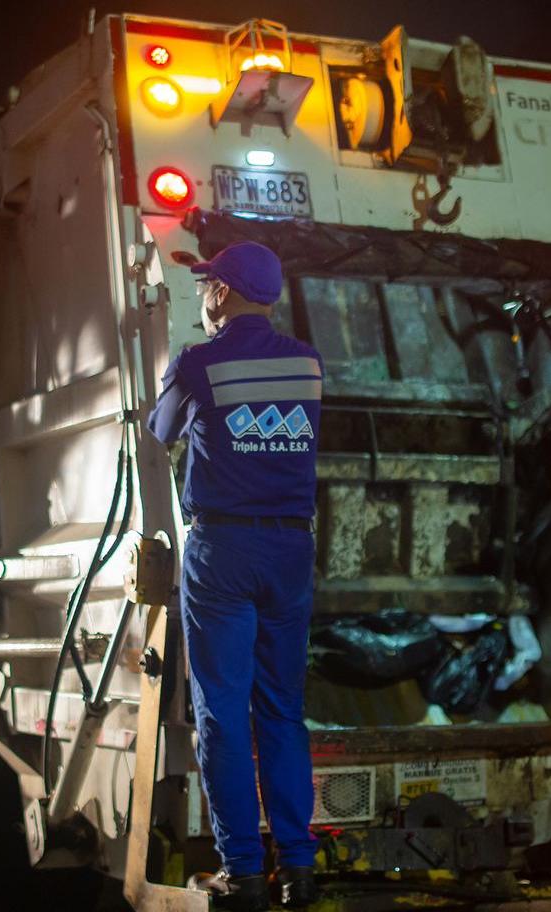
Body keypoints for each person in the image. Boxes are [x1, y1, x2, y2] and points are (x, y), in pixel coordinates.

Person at [147, 242, 323, 911]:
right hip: (289, 552)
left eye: (205, 286)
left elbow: (159, 430)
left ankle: (243, 872)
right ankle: (297, 869)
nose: (201, 296)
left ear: (221, 293)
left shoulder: (198, 362)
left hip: (222, 551)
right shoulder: (307, 362)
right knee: (280, 710)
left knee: (221, 712)